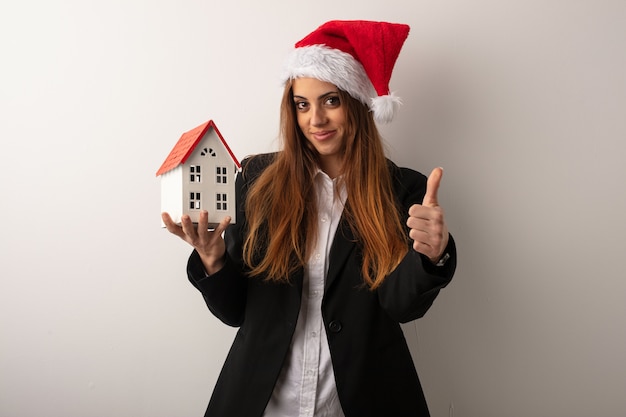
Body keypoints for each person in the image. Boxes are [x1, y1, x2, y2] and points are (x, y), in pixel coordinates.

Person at [162, 20, 457, 417]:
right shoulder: (255, 180)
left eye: (330, 100)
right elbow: (235, 313)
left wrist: (431, 255)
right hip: (264, 403)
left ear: (356, 101)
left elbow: (401, 307)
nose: (315, 119)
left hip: (358, 402)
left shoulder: (402, 189)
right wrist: (213, 259)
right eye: (303, 104)